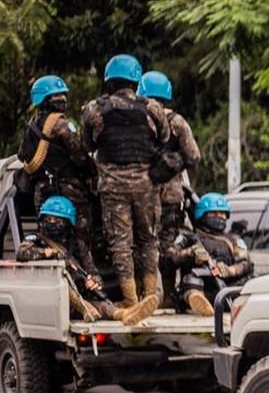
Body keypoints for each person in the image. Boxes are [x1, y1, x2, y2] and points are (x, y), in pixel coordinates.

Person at [80, 54, 168, 312]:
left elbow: (87, 145)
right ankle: (150, 295)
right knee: (149, 239)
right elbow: (163, 138)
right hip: (146, 186)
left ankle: (130, 300)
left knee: (121, 243)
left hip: (113, 187)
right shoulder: (152, 108)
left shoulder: (94, 109)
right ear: (135, 79)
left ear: (109, 80)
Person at [16, 197, 155, 325]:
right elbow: (22, 253)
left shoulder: (77, 244)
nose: (52, 223)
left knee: (103, 305)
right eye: (48, 219)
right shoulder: (37, 240)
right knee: (63, 284)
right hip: (53, 300)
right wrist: (47, 253)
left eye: (57, 220)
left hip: (81, 296)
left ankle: (125, 314)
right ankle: (86, 309)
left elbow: (92, 270)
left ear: (67, 222)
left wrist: (94, 282)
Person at [17, 75, 98, 272]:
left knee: (47, 238)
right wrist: (92, 172)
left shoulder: (32, 126)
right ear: (45, 99)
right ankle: (85, 280)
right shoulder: (61, 124)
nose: (62, 99)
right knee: (80, 239)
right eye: (57, 96)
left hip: (43, 192)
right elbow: (80, 156)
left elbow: (22, 156)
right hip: (69, 191)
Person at [138, 70, 202, 308]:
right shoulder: (177, 121)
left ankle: (144, 297)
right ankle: (168, 297)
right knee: (168, 246)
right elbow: (194, 157)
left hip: (141, 194)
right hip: (171, 197)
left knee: (142, 244)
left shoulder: (137, 120)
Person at [166, 193, 253, 316]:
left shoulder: (233, 240)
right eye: (215, 213)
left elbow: (246, 263)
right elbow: (169, 259)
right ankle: (196, 300)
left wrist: (230, 270)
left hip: (225, 288)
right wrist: (190, 252)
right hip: (201, 287)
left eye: (223, 213)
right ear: (203, 215)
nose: (220, 217)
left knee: (252, 281)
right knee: (192, 279)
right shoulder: (189, 237)